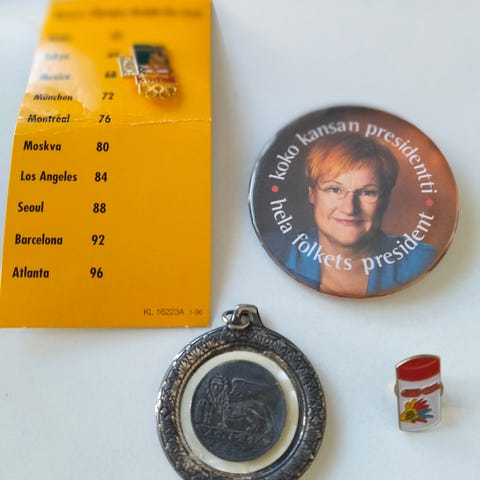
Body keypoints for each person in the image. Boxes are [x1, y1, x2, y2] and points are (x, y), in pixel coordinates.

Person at [268, 133, 436, 297]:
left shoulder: (423, 261)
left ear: (385, 199)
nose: (349, 209)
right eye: (335, 189)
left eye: (367, 192)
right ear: (312, 194)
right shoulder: (275, 250)